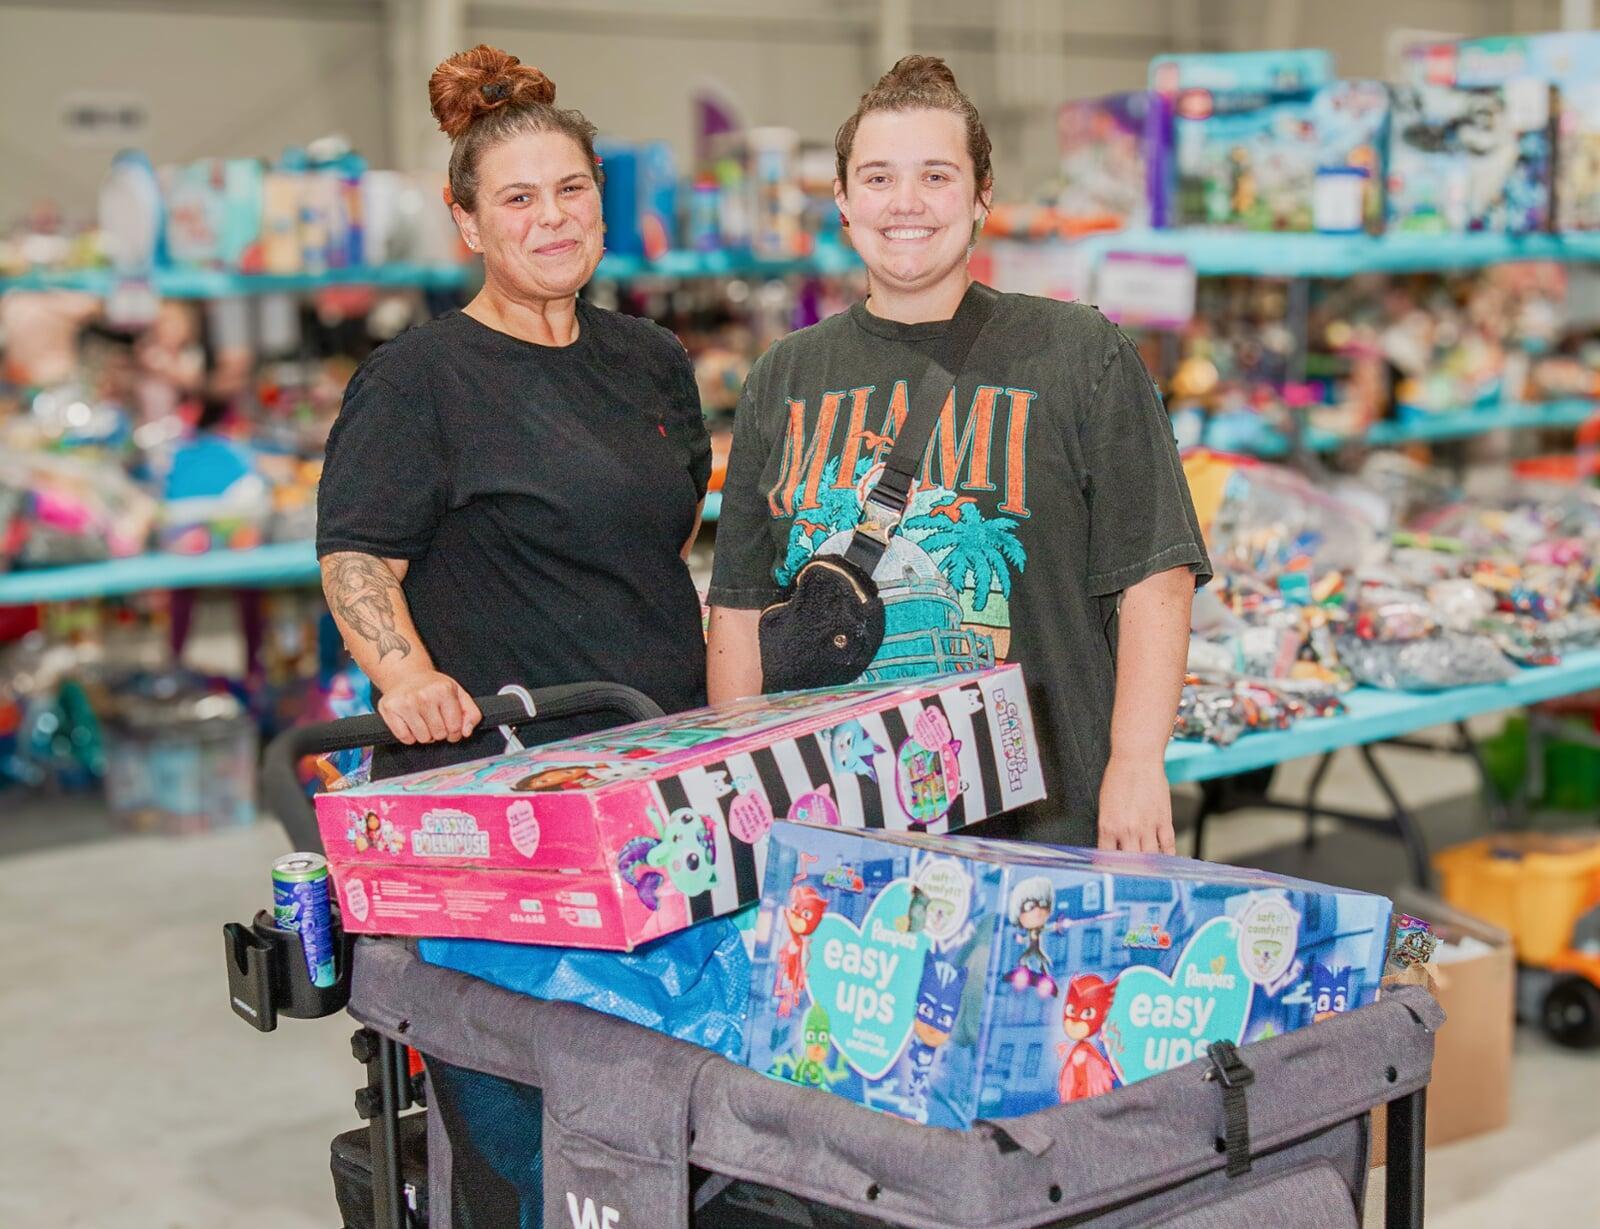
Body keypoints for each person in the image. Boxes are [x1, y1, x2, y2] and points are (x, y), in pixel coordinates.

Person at [705, 56, 1210, 852]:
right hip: (841, 831)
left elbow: (1157, 575)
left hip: (1050, 822)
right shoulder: (784, 377)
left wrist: (1138, 765)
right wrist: (744, 800)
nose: (904, 203)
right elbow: (738, 608)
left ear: (981, 199)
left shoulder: (1078, 351)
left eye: (936, 176)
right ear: (841, 201)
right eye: (876, 179)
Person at [317, 45, 711, 778]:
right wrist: (407, 679)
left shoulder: (653, 357)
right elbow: (357, 557)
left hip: (661, 742)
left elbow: (670, 526)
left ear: (600, 197)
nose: (554, 218)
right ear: (469, 224)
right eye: (519, 199)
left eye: (572, 189)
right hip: (511, 767)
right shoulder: (417, 378)